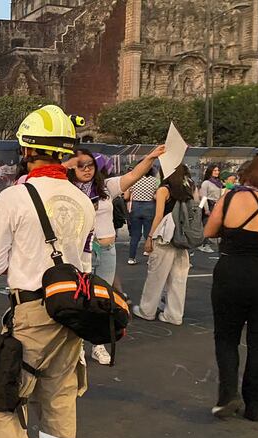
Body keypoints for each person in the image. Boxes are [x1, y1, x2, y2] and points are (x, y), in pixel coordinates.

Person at [0, 105, 94, 438]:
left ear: (27, 150)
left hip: (30, 312)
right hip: (73, 310)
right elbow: (86, 263)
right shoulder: (82, 200)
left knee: (6, 396)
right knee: (60, 399)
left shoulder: (15, 196)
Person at [66, 146, 164, 365]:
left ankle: (97, 345)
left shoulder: (106, 187)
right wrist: (67, 165)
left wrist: (150, 157)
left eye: (90, 165)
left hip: (107, 250)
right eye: (80, 165)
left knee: (102, 300)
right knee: (81, 300)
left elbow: (133, 175)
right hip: (82, 251)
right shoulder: (67, 191)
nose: (87, 170)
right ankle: (77, 346)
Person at [205, 154, 258, 422]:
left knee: (226, 338)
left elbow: (208, 231)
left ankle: (228, 393)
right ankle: (256, 405)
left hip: (230, 272)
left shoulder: (229, 198)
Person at [132, 164, 195, 326]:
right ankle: (174, 315)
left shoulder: (164, 190)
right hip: (182, 237)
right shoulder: (189, 188)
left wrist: (150, 238)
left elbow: (158, 216)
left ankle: (147, 310)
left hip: (165, 236)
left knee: (156, 275)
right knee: (178, 279)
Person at [125, 162, 160, 264]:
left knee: (135, 235)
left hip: (136, 207)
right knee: (148, 234)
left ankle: (131, 258)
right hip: (149, 206)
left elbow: (126, 196)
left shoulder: (134, 180)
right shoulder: (155, 181)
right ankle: (150, 257)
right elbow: (157, 196)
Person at [199, 165, 224, 253]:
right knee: (206, 224)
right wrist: (206, 209)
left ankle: (209, 242)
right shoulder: (206, 183)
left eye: (217, 170)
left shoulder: (219, 183)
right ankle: (204, 244)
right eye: (214, 170)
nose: (217, 172)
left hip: (216, 204)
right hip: (208, 204)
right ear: (210, 172)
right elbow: (203, 197)